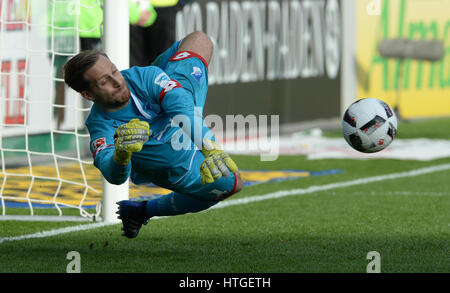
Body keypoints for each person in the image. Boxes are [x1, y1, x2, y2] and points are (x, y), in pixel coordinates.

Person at [63, 31, 243, 239]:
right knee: (232, 183)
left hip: (185, 106)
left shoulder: (140, 76)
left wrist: (210, 148)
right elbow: (114, 176)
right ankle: (142, 210)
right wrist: (121, 153)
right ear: (88, 95)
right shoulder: (101, 126)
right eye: (105, 81)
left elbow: (180, 106)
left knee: (199, 40)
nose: (118, 81)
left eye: (114, 71)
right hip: (175, 161)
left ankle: (168, 82)